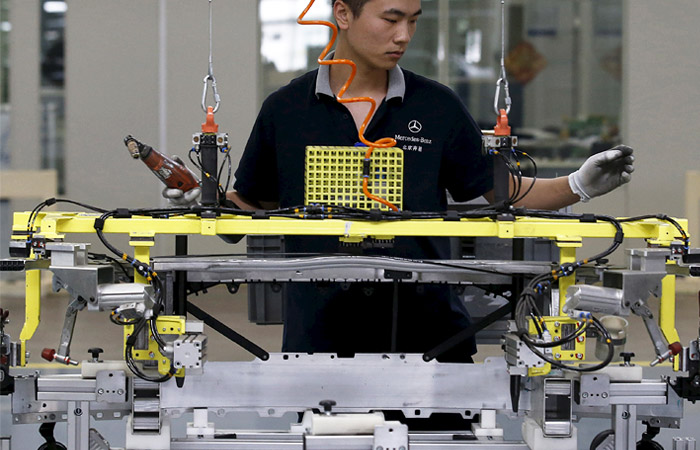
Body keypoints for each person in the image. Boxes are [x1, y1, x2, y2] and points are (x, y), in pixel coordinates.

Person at [166, 0, 634, 363]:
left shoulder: (436, 107)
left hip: (430, 332)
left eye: (412, 20)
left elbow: (505, 194)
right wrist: (202, 201)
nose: (404, 35)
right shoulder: (286, 109)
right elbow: (247, 211)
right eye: (391, 19)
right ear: (343, 14)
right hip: (321, 334)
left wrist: (577, 184)